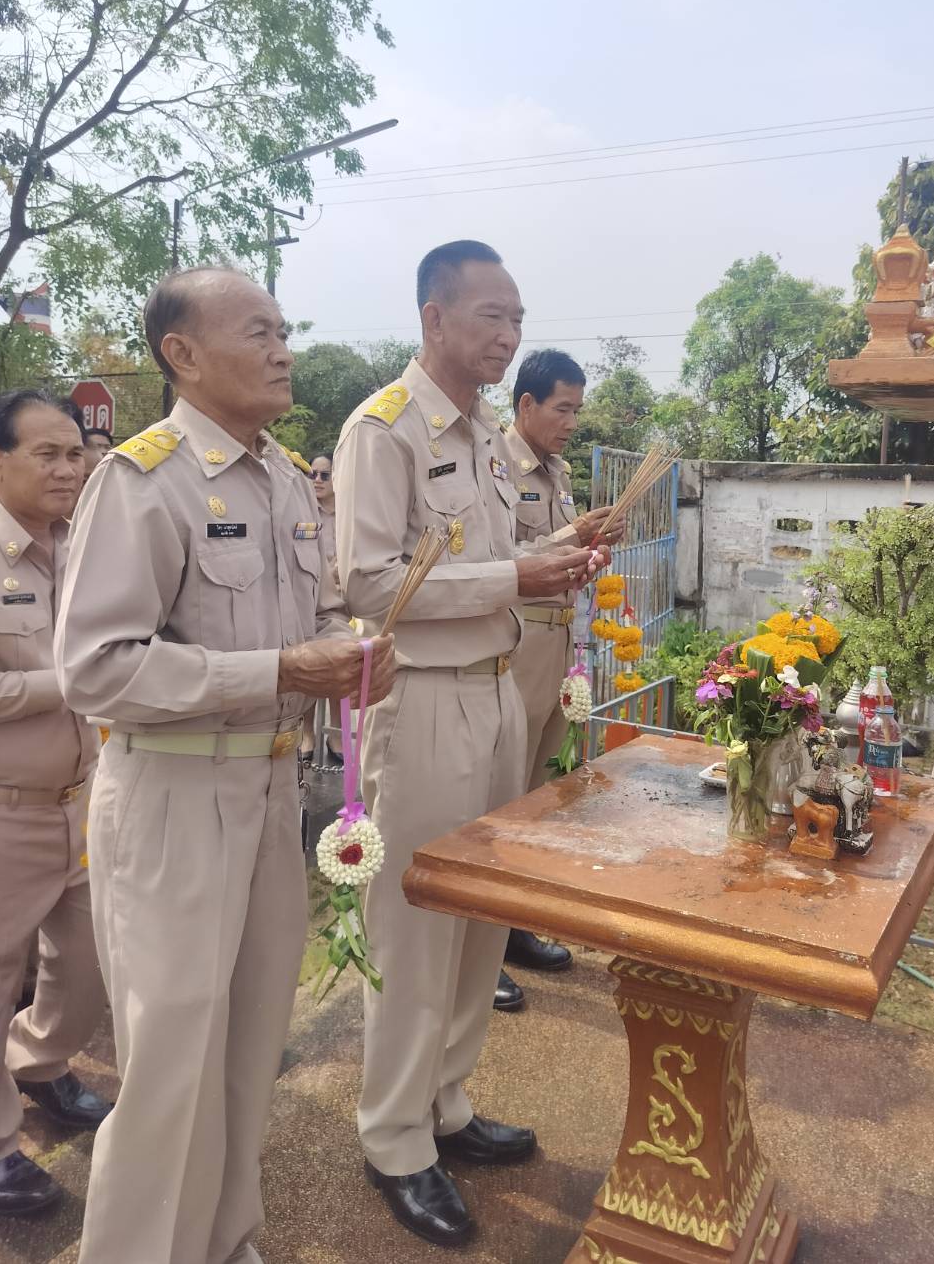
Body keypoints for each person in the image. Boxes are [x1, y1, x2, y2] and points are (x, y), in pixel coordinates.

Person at [55, 266, 396, 1264]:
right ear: (184, 354)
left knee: (251, 1047)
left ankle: (224, 1238)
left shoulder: (284, 478)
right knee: (171, 1069)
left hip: (270, 788)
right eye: (259, 332)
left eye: (284, 329)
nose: (285, 351)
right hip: (172, 794)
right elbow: (94, 668)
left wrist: (350, 651)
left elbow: (314, 618)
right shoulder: (144, 479)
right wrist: (283, 668)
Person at [335, 239, 606, 1247]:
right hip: (426, 700)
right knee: (416, 930)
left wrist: (554, 554)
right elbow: (368, 581)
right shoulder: (385, 429)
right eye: (491, 315)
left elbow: (493, 558)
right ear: (433, 317)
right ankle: (394, 1135)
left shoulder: (487, 432)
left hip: (496, 692)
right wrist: (512, 579)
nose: (508, 334)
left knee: (481, 919)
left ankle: (445, 1102)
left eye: (517, 318)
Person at [0, 389, 111, 1217]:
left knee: (88, 960)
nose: (67, 469)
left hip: (87, 800)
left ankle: (38, 1062)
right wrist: (70, 682)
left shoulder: (86, 546)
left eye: (75, 453)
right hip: (6, 809)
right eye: (47, 453)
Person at [494, 348, 624, 1013]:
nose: (572, 422)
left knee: (537, 795)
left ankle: (512, 925)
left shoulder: (560, 472)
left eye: (577, 409)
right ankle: (480, 943)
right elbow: (496, 561)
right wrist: (573, 533)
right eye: (562, 408)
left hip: (559, 642)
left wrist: (590, 550)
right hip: (515, 645)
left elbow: (560, 559)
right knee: (498, 795)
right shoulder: (493, 463)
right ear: (526, 404)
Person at [300, 452, 343, 766]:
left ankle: (337, 733)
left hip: (341, 600)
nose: (317, 480)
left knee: (339, 665)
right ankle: (307, 733)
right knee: (308, 667)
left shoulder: (347, 512)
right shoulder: (302, 509)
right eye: (312, 474)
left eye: (324, 475)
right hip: (307, 598)